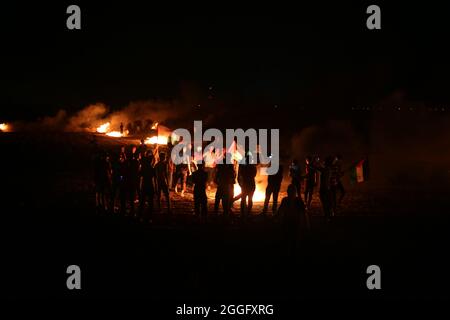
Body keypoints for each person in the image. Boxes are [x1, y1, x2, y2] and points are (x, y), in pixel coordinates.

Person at [278, 184, 310, 253]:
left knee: (295, 240)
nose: (291, 193)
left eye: (292, 191)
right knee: (289, 239)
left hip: (296, 223)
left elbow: (304, 214)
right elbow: (280, 211)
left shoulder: (298, 201)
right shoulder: (286, 200)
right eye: (290, 191)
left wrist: (306, 224)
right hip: (288, 222)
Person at [139, 151, 156, 221]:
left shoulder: (143, 168)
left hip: (144, 186)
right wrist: (155, 188)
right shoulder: (152, 169)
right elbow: (154, 180)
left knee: (142, 202)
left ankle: (140, 216)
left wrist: (140, 187)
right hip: (150, 186)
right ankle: (149, 217)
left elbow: (141, 177)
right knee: (150, 203)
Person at [317, 156, 334, 221]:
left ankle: (327, 217)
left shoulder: (324, 170)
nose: (323, 162)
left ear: (326, 163)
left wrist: (315, 161)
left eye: (324, 161)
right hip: (328, 189)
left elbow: (314, 167)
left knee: (325, 204)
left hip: (323, 189)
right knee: (328, 203)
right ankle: (329, 216)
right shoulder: (329, 169)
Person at [127, 147, 140, 216]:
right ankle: (134, 209)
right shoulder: (136, 163)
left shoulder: (132, 163)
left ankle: (132, 207)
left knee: (132, 191)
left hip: (132, 179)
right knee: (135, 189)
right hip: (134, 179)